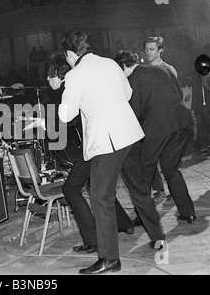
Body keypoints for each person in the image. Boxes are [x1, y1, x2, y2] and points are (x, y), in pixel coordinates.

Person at [58, 31, 163, 274]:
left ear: (71, 54)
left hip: (108, 142)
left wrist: (68, 88)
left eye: (67, 58)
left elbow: (65, 115)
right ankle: (158, 238)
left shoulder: (75, 74)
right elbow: (127, 95)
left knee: (100, 198)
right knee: (139, 191)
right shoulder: (109, 64)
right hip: (130, 135)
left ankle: (109, 259)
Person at [43, 54, 135, 254]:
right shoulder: (78, 81)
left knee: (71, 189)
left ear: (59, 74)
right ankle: (124, 223)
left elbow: (69, 119)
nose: (48, 81)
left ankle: (94, 240)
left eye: (50, 76)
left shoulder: (73, 84)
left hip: (96, 145)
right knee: (97, 185)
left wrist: (46, 121)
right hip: (97, 144)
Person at [114, 50, 196, 223]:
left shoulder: (132, 80)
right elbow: (179, 94)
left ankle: (144, 218)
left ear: (123, 66)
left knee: (143, 172)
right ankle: (188, 212)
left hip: (157, 128)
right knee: (171, 170)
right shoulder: (162, 69)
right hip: (181, 122)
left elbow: (134, 113)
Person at [144, 36, 181, 204]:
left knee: (168, 161)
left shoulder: (168, 69)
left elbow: (176, 96)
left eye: (152, 49)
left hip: (166, 122)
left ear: (160, 50)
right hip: (148, 121)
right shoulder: (142, 70)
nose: (148, 52)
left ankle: (174, 192)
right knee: (147, 159)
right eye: (147, 49)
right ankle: (158, 189)